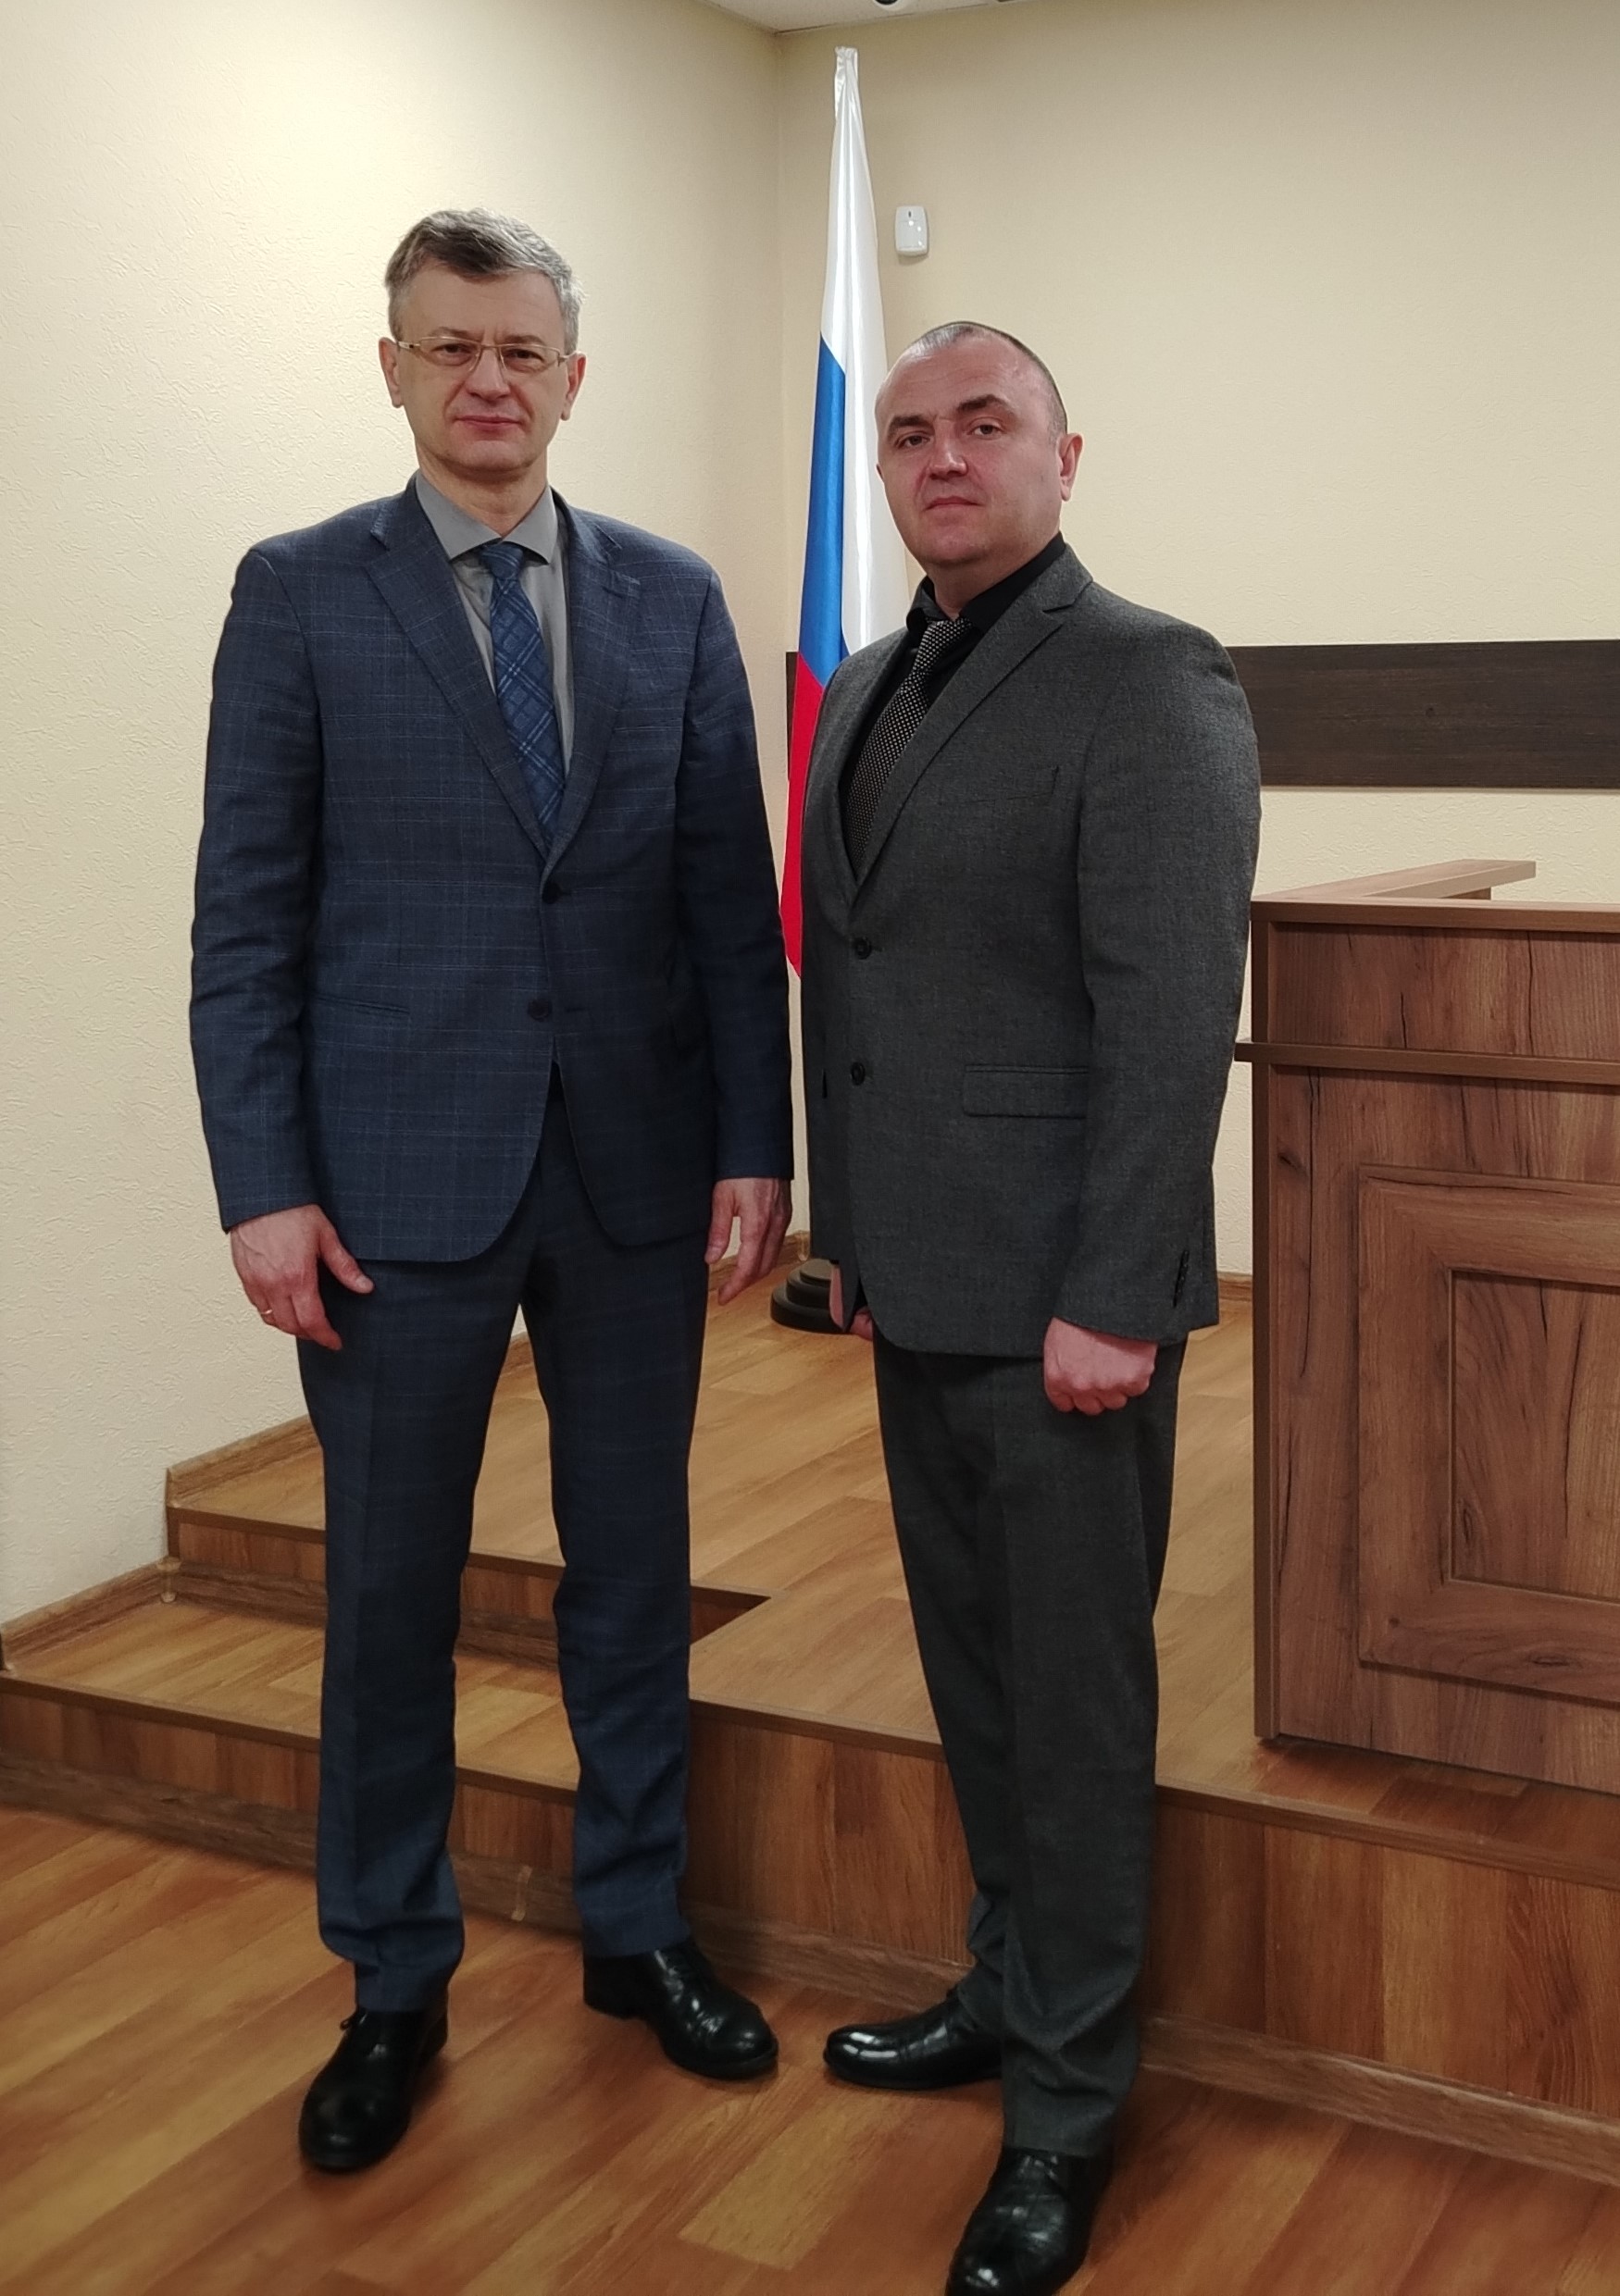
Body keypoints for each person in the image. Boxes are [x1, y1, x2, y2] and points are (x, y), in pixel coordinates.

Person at [191, 209, 793, 2174]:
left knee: (631, 1571)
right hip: (389, 1191)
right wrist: (263, 1183)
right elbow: (244, 923)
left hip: (630, 1174)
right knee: (388, 1593)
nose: (486, 380)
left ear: (570, 376)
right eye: (448, 345)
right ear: (393, 367)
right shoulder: (300, 594)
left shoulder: (669, 598)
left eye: (520, 349)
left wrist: (756, 1139)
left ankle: (637, 1926)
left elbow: (728, 905)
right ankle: (392, 1973)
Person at [799, 321, 1259, 2296]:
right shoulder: (868, 683)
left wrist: (1116, 1292)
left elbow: (1169, 1013)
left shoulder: (1148, 675)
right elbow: (859, 982)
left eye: (982, 423)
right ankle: (1006, 1985)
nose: (939, 454)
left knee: (1070, 1709)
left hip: (1065, 1298)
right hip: (913, 1276)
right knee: (974, 1674)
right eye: (907, 431)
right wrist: (843, 1234)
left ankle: (1067, 2106)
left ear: (1063, 457)